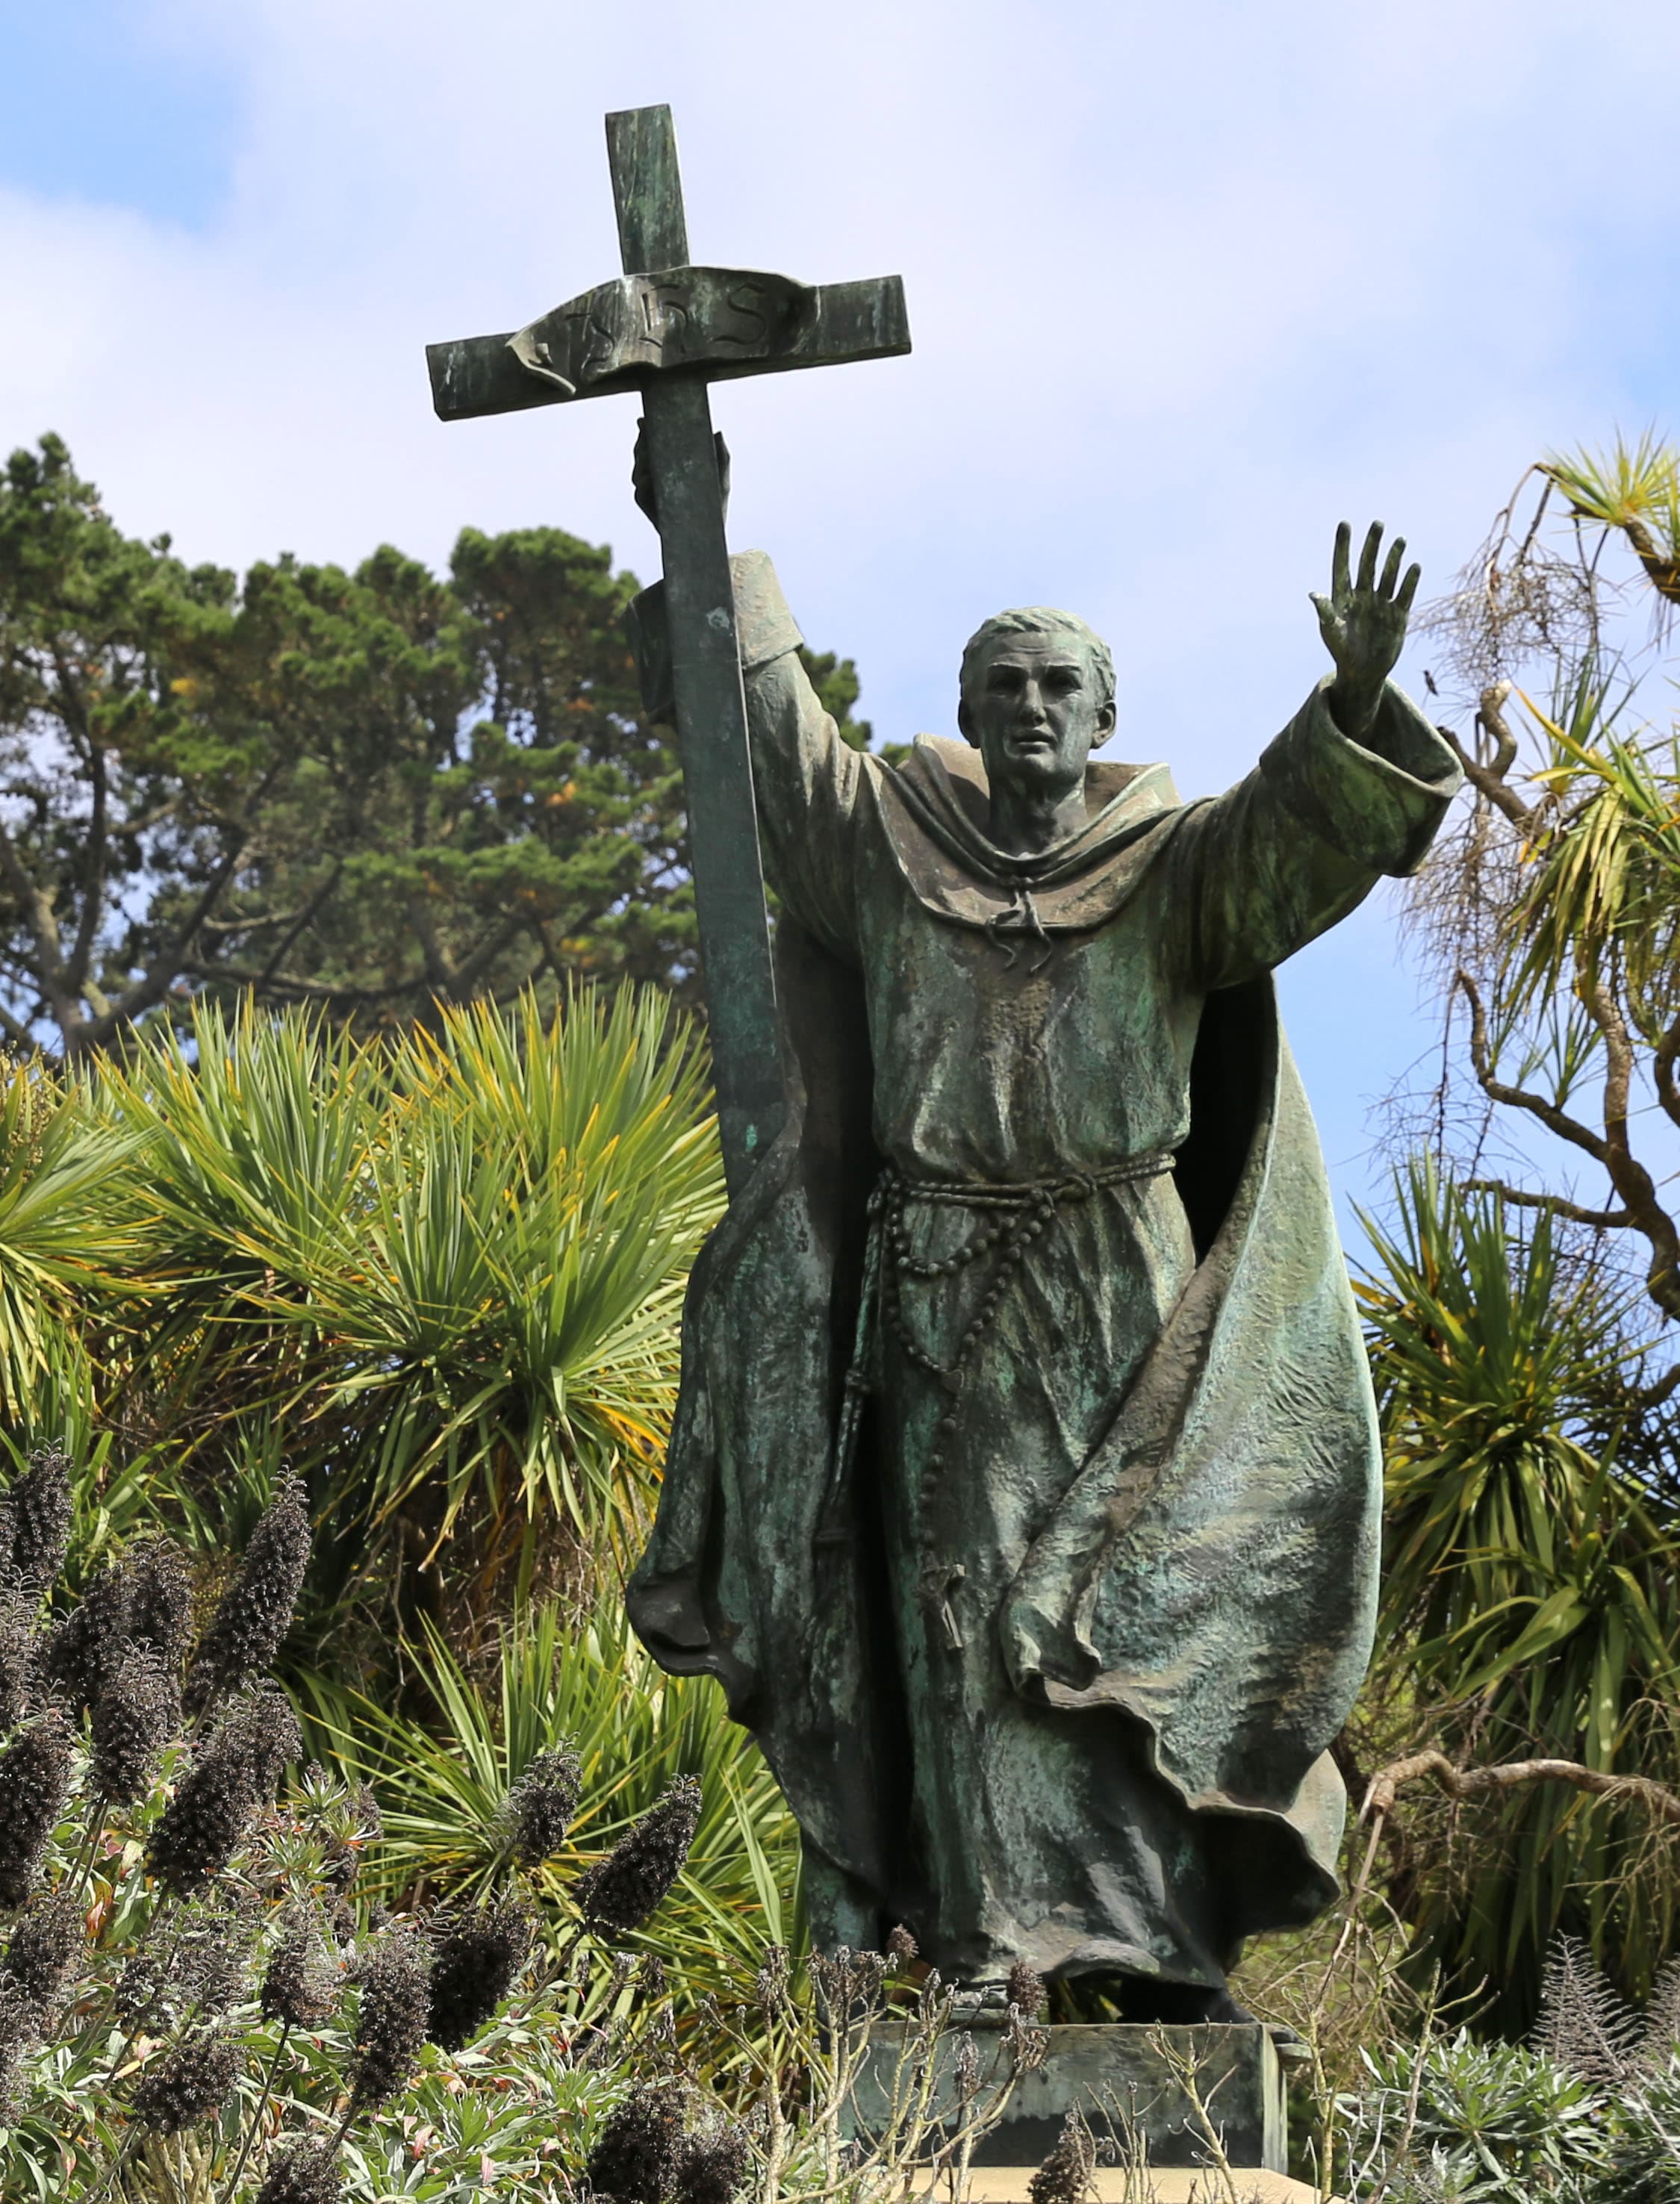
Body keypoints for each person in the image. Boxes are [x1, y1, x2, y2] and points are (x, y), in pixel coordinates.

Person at [626, 476, 1460, 2020]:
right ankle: (985, 1948)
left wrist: (1351, 702)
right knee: (960, 1612)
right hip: (943, 1286)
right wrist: (704, 535)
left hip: (1122, 1283)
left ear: (1102, 717)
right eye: (1003, 684)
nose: (1030, 707)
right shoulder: (889, 847)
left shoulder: (1174, 865)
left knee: (1128, 1598)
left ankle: (1158, 1949)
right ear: (965, 710)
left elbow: (1293, 842)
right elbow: (775, 748)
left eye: (1058, 685)